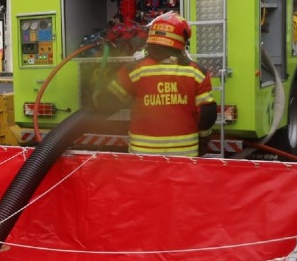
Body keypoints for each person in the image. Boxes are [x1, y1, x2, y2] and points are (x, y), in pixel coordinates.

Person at [93, 12, 218, 157]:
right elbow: (206, 113)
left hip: (143, 156)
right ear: (181, 41)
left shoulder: (134, 70)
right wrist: (204, 137)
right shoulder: (197, 72)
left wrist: (97, 95)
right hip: (184, 155)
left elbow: (108, 102)